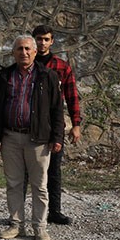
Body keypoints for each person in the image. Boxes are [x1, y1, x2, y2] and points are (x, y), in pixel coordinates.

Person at [0, 36, 64, 240]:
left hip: (38, 138)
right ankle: (16, 225)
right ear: (13, 52)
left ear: (34, 52)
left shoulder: (47, 75)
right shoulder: (6, 75)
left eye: (27, 49)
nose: (24, 52)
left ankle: (40, 227)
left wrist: (57, 137)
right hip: (10, 136)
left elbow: (57, 109)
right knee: (14, 183)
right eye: (19, 49)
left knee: (39, 185)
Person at [33, 25, 81, 226]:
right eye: (39, 39)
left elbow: (72, 96)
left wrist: (76, 124)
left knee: (54, 170)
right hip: (31, 125)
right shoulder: (26, 64)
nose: (42, 43)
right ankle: (23, 214)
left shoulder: (62, 67)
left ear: (52, 41)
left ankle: (54, 211)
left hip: (54, 125)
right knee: (28, 173)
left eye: (46, 39)